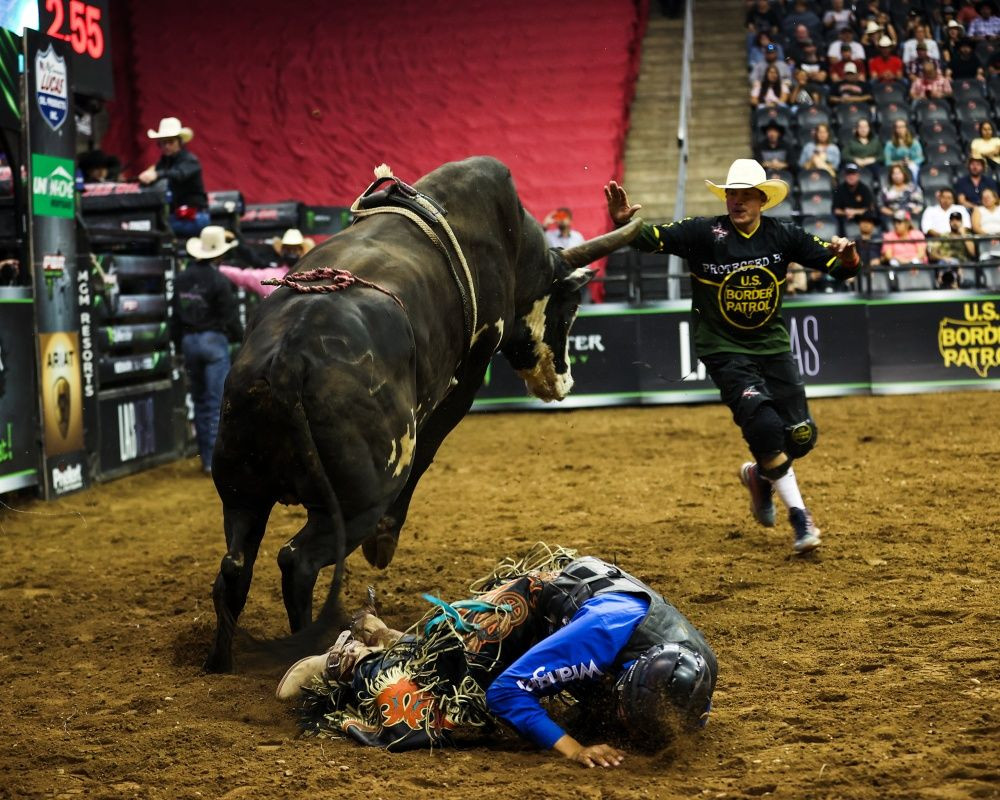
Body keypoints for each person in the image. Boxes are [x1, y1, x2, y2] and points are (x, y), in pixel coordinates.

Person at [603, 159, 860, 552]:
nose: (737, 201)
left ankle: (760, 476)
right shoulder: (703, 233)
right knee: (766, 430)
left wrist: (848, 258)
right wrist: (624, 221)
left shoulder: (782, 235)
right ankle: (800, 519)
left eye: (745, 194)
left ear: (762, 199)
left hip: (772, 345)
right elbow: (647, 238)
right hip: (723, 349)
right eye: (731, 194)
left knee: (802, 437)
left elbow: (840, 268)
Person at [276, 546, 718, 765]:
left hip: (586, 614)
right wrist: (573, 749)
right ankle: (351, 660)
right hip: (531, 609)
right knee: (444, 712)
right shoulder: (599, 638)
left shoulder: (694, 672)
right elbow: (508, 693)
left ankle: (388, 636)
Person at [172, 225, 243, 474]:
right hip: (213, 341)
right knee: (216, 402)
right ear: (219, 254)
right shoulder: (220, 281)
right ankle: (217, 462)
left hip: (189, 342)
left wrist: (177, 344)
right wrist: (242, 339)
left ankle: (206, 460)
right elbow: (231, 317)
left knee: (201, 401)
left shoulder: (181, 279)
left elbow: (175, 316)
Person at [138, 116, 210, 237]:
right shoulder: (164, 162)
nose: (166, 146)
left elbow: (178, 174)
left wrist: (156, 174)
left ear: (180, 142)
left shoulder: (190, 160)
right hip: (177, 217)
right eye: (163, 143)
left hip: (195, 217)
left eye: (170, 142)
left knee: (156, 228)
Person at [929, 210, 976, 287]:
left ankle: (956, 281)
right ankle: (945, 281)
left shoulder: (967, 236)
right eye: (952, 220)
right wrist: (943, 258)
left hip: (962, 265)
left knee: (955, 262)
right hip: (945, 265)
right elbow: (932, 254)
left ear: (961, 222)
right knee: (946, 262)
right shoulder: (944, 236)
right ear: (949, 222)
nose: (955, 222)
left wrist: (963, 235)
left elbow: (973, 253)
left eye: (957, 220)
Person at [833, 163, 877, 233]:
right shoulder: (839, 189)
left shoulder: (864, 189)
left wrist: (854, 212)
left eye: (853, 174)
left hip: (861, 218)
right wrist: (846, 213)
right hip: (844, 218)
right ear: (845, 176)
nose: (851, 177)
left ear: (858, 175)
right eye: (848, 174)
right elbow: (836, 210)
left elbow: (869, 208)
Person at [841, 118, 883, 183]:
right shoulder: (851, 141)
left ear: (869, 128)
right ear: (857, 129)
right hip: (855, 164)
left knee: (879, 170)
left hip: (872, 164)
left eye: (865, 127)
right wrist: (855, 159)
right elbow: (844, 155)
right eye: (861, 127)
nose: (863, 129)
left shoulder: (875, 141)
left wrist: (873, 159)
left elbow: (882, 156)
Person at [883, 119, 924, 183]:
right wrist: (899, 163)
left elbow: (920, 158)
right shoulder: (889, 144)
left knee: (913, 167)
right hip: (896, 166)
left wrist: (910, 162)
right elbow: (887, 161)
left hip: (911, 164)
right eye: (898, 127)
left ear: (906, 128)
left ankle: (914, 187)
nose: (900, 129)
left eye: (902, 127)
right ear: (895, 129)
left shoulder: (915, 143)